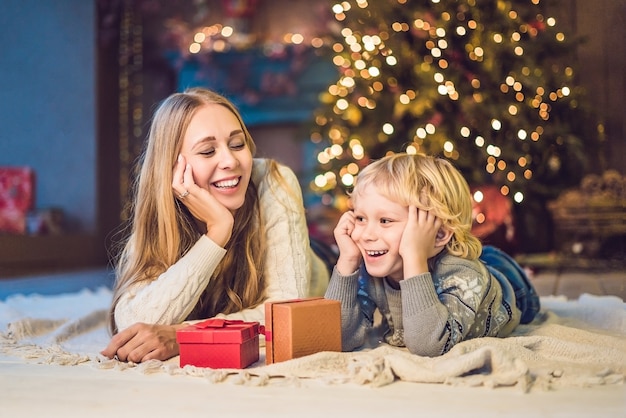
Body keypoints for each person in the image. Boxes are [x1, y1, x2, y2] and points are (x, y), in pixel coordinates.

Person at [101, 87, 329, 363]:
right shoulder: (163, 211)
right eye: (208, 151)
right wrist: (217, 233)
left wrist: (184, 335)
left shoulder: (274, 180)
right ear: (172, 167)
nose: (231, 161)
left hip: (316, 262)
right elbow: (133, 326)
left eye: (237, 144)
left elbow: (283, 315)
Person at [324, 152, 540, 357]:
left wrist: (414, 257)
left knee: (525, 303)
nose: (366, 235)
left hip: (507, 286)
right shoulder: (374, 267)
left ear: (439, 235)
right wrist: (348, 261)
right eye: (360, 218)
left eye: (385, 220)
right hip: (445, 260)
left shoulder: (465, 275)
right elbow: (336, 336)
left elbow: (429, 345)